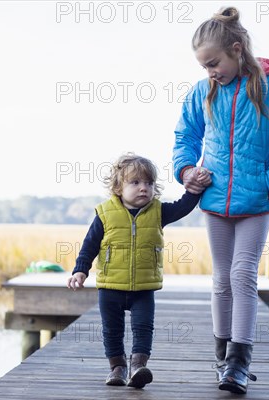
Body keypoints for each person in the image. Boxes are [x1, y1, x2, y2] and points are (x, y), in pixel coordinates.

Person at [172, 6, 269, 395]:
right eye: (203, 66)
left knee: (242, 274)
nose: (210, 71)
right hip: (214, 200)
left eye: (214, 63)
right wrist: (186, 170)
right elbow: (185, 136)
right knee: (220, 279)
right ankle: (221, 355)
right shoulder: (203, 91)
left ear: (236, 49)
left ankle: (238, 363)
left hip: (258, 201)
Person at [67, 153, 211, 388]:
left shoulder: (158, 212)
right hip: (110, 287)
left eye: (149, 183)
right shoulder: (104, 214)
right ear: (118, 187)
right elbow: (89, 245)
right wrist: (80, 270)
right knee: (112, 330)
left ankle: (138, 366)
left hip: (144, 288)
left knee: (143, 328)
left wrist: (195, 189)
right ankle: (117, 368)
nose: (143, 188)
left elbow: (184, 206)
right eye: (135, 183)